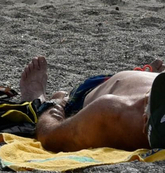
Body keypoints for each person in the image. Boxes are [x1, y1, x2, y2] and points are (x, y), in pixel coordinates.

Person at [15, 55, 165, 152]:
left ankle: (37, 98)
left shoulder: (112, 112)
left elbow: (48, 135)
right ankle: (149, 76)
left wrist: (58, 104)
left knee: (47, 108)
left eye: (148, 100)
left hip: (86, 95)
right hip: (121, 82)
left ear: (145, 121)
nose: (144, 96)